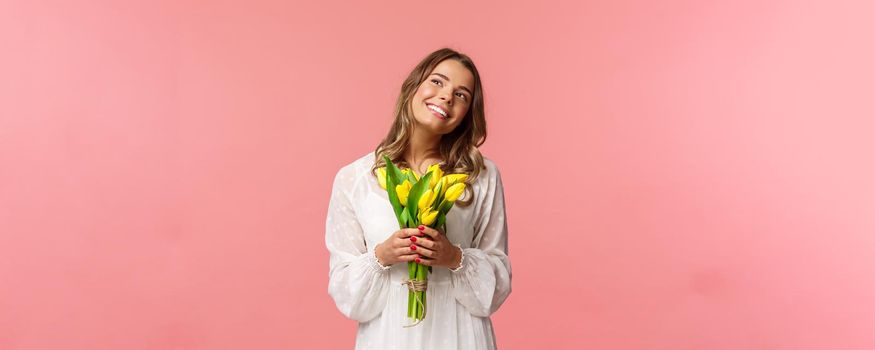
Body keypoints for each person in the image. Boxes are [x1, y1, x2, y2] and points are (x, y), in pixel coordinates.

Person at [325, 47, 511, 350]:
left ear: (467, 114)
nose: (447, 96)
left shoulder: (481, 174)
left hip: (460, 336)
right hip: (388, 337)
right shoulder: (354, 178)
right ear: (414, 86)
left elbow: (497, 284)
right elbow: (345, 293)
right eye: (437, 82)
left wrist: (454, 257)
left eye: (461, 95)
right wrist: (382, 256)